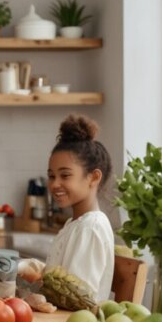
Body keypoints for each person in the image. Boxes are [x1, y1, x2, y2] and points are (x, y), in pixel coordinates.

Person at [44, 114, 114, 302]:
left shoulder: (91, 227)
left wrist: (38, 276)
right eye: (51, 176)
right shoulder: (74, 224)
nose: (54, 184)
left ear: (93, 177)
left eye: (65, 176)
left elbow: (79, 299)